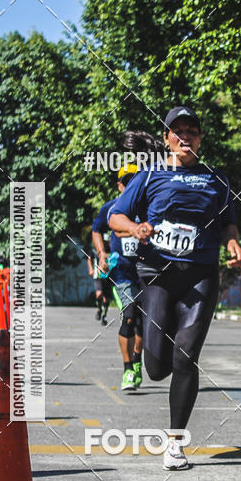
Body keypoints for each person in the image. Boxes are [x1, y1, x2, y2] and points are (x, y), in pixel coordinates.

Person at [109, 105, 241, 469]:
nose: (186, 137)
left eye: (192, 132)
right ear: (167, 138)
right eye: (178, 131)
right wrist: (134, 228)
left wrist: (232, 243)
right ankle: (155, 356)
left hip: (200, 275)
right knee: (155, 366)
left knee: (186, 355)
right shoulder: (149, 176)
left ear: (200, 138)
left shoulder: (217, 179)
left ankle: (175, 443)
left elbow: (229, 222)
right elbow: (115, 215)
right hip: (157, 275)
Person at [92, 162, 147, 391]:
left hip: (146, 272)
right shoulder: (111, 207)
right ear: (119, 185)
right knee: (129, 316)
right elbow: (96, 229)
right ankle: (127, 370)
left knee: (144, 324)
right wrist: (102, 252)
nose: (130, 185)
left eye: (134, 180)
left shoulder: (148, 206)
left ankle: (136, 361)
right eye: (126, 182)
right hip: (122, 272)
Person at [87, 249, 113, 324]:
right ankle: (99, 309)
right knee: (99, 293)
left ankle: (104, 315)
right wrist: (91, 269)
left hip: (108, 276)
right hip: (97, 276)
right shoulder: (95, 249)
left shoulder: (111, 247)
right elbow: (89, 259)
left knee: (106, 299)